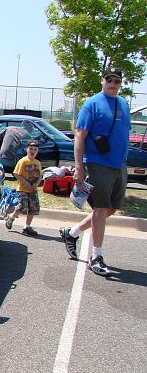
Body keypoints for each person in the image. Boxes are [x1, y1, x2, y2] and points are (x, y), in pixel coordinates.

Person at [59, 66, 130, 276]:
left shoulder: (123, 104)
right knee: (100, 209)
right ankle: (96, 257)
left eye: (117, 81)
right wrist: (79, 166)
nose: (113, 83)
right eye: (110, 79)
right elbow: (80, 136)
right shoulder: (91, 104)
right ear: (103, 80)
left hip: (119, 166)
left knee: (110, 209)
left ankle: (71, 233)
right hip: (97, 164)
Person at [5, 140, 42, 236]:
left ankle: (27, 227)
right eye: (30, 149)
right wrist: (25, 183)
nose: (32, 151)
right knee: (22, 206)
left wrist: (36, 184)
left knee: (33, 208)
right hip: (22, 188)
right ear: (26, 149)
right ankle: (11, 217)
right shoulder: (23, 161)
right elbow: (16, 173)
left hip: (33, 189)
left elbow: (40, 176)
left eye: (35, 149)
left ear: (37, 151)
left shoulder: (37, 162)